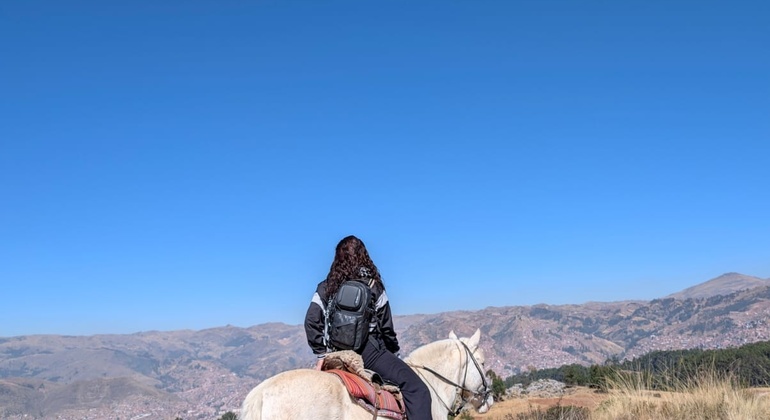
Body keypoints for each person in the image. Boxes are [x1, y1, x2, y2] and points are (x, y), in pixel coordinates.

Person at [304, 235, 432, 420]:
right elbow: (387, 328)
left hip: (336, 353)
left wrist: (322, 354)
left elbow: (311, 321)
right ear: (364, 256)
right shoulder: (374, 286)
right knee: (417, 389)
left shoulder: (325, 287)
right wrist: (393, 355)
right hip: (369, 353)